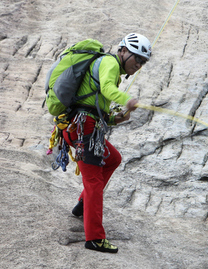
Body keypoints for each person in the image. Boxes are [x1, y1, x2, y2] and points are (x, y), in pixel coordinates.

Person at [63, 33, 152, 253]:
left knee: (113, 159)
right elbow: (107, 91)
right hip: (84, 130)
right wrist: (127, 100)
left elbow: (95, 104)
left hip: (83, 128)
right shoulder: (110, 62)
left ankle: (83, 205)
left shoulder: (108, 66)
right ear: (122, 50)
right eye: (136, 58)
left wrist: (115, 118)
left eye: (143, 62)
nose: (138, 65)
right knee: (93, 182)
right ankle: (94, 238)